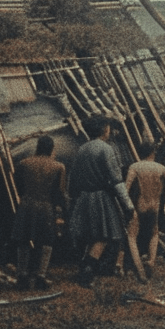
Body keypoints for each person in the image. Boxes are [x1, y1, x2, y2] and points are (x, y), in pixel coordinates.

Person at [67, 115, 134, 287]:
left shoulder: (82, 149)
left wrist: (75, 198)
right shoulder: (106, 149)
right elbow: (116, 179)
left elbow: (72, 179)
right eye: (108, 127)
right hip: (101, 198)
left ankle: (85, 267)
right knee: (103, 236)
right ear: (104, 128)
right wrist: (128, 205)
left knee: (91, 235)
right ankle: (88, 270)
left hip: (84, 197)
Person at [11, 135, 69, 290]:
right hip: (45, 205)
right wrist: (64, 210)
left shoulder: (23, 163)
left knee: (23, 240)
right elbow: (60, 192)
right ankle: (40, 277)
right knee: (47, 241)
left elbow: (17, 186)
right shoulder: (58, 166)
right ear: (51, 148)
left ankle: (22, 276)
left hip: (27, 203)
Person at [125, 141, 165, 282]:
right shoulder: (161, 168)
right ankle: (151, 261)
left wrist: (128, 206)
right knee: (154, 233)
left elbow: (126, 188)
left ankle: (139, 268)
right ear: (153, 152)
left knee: (132, 236)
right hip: (154, 205)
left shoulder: (135, 167)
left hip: (140, 205)